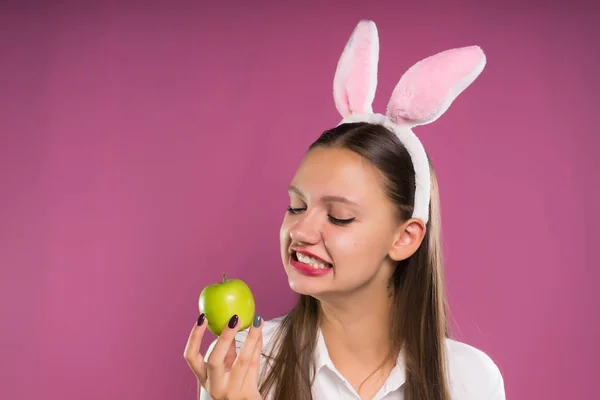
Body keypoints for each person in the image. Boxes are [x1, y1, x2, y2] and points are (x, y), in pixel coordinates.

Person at [184, 20, 505, 400]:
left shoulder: (469, 380)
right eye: (296, 206)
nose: (300, 231)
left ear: (404, 237)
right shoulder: (244, 365)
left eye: (339, 216)